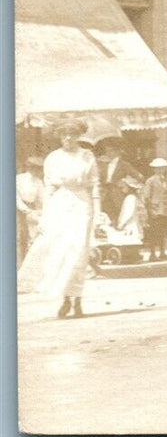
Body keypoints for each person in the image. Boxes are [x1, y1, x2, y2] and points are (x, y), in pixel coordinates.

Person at [18, 120, 101, 319]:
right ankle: (65, 299)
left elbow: (95, 186)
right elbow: (48, 189)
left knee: (79, 251)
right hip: (60, 204)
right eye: (64, 135)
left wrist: (98, 213)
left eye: (72, 134)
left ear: (79, 136)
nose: (68, 138)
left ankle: (78, 299)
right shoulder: (53, 158)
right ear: (60, 136)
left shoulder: (87, 156)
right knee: (62, 251)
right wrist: (45, 216)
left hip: (82, 204)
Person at [96, 137, 141, 224]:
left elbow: (139, 177)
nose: (107, 153)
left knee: (118, 214)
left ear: (116, 152)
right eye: (106, 151)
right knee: (105, 214)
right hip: (104, 192)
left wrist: (126, 181)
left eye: (110, 151)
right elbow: (97, 176)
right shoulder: (103, 163)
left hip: (117, 192)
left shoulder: (124, 164)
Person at [142, 158, 167, 262]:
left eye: (162, 168)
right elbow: (146, 196)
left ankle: (162, 252)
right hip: (155, 210)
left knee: (162, 232)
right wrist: (151, 209)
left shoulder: (165, 180)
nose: (160, 170)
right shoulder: (150, 181)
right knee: (154, 233)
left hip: (164, 210)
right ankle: (152, 254)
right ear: (154, 169)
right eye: (158, 169)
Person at [17, 155, 45, 264]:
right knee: (19, 235)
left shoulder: (38, 182)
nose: (35, 171)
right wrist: (25, 209)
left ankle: (26, 263)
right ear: (29, 168)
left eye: (38, 169)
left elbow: (41, 199)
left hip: (31, 209)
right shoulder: (19, 179)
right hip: (18, 209)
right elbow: (15, 197)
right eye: (33, 168)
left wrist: (40, 212)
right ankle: (18, 264)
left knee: (31, 236)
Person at [115, 176, 147, 244]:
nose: (121, 190)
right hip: (135, 223)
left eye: (123, 187)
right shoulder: (135, 197)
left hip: (131, 225)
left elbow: (128, 213)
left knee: (130, 242)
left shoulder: (130, 198)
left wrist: (121, 223)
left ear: (129, 187)